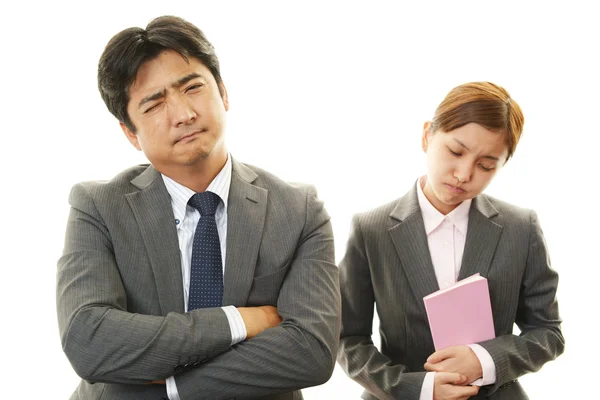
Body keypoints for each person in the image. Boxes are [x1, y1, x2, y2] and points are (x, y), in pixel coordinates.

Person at [56, 15, 340, 400]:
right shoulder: (99, 207)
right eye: (154, 104)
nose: (183, 114)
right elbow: (88, 340)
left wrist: (173, 385)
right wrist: (241, 320)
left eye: (193, 88)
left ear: (223, 93)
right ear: (130, 132)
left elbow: (312, 352)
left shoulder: (299, 210)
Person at [337, 82, 564, 400]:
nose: (463, 173)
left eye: (486, 165)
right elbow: (347, 337)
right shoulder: (370, 229)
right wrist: (416, 387)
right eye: (455, 151)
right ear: (427, 135)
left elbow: (548, 332)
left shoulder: (520, 228)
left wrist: (484, 359)